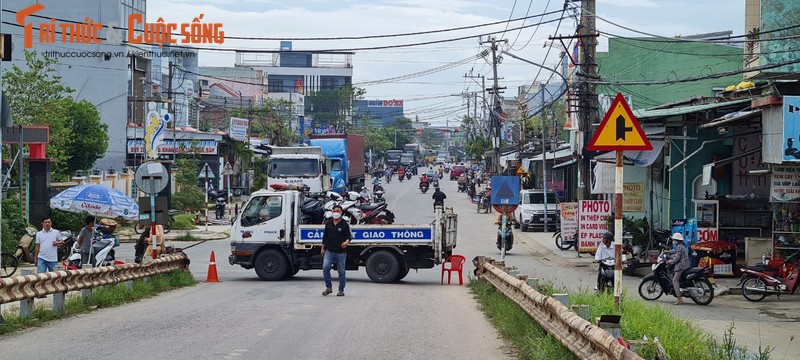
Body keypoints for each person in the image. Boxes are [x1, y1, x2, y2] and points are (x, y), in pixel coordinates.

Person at [322, 205, 352, 297]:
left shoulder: (344, 224)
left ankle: (341, 290)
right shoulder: (328, 224)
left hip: (341, 252)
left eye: (338, 211)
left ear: (341, 212)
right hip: (329, 251)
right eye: (334, 211)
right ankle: (329, 287)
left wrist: (346, 242)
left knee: (341, 271)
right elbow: (325, 237)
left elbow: (349, 237)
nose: (336, 213)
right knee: (325, 268)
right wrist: (322, 248)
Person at [666, 233, 690, 305]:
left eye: (673, 239)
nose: (673, 241)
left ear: (677, 240)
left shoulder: (679, 246)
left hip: (681, 266)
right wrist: (668, 251)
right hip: (686, 264)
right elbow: (676, 251)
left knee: (675, 281)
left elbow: (677, 258)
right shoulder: (681, 245)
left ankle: (679, 298)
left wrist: (671, 261)